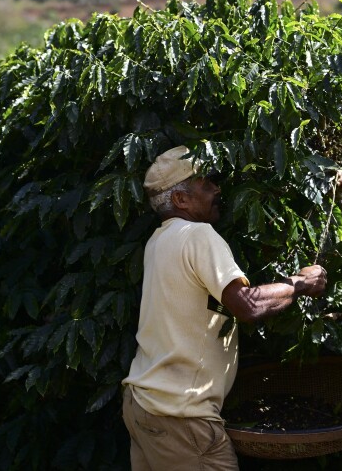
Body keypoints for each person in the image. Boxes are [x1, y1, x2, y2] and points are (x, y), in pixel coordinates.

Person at [121, 145, 329, 470]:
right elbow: (246, 306)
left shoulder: (158, 242)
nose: (217, 190)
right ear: (181, 200)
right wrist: (300, 283)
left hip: (143, 405)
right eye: (206, 183)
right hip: (181, 416)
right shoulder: (198, 235)